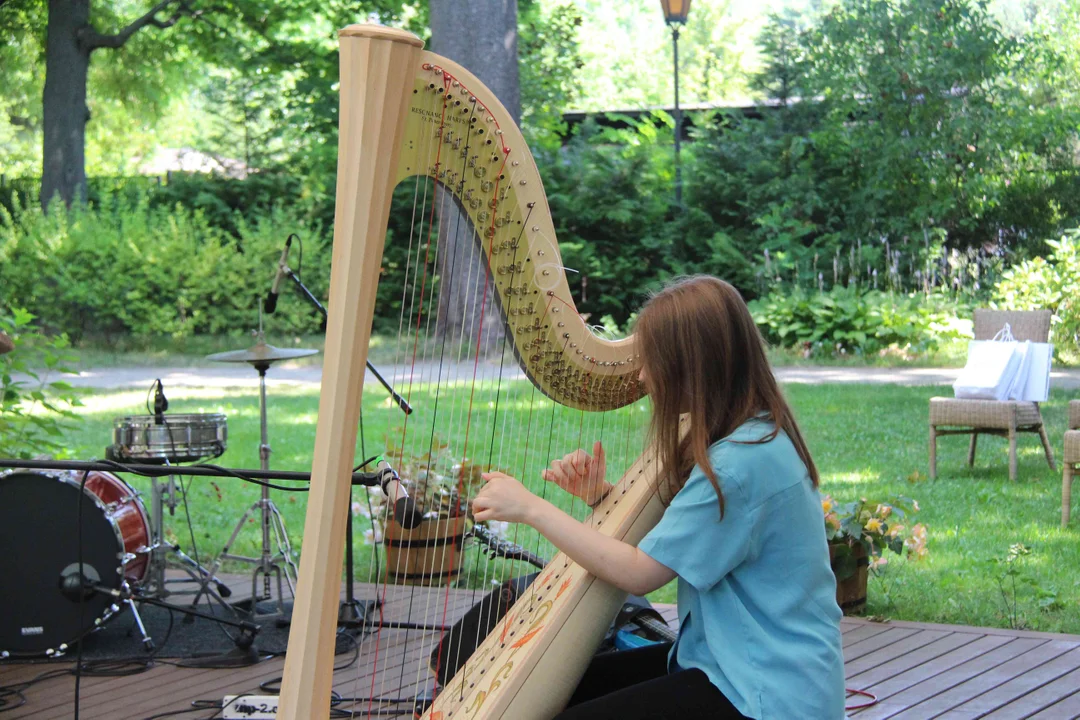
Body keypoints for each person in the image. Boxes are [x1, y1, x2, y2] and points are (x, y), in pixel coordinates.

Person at [471, 276, 846, 720]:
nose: (644, 376)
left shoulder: (736, 466)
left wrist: (531, 508)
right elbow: (690, 536)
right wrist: (602, 498)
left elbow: (638, 573)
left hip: (762, 693)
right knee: (564, 689)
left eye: (652, 362)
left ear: (692, 367)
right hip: (732, 662)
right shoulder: (756, 433)